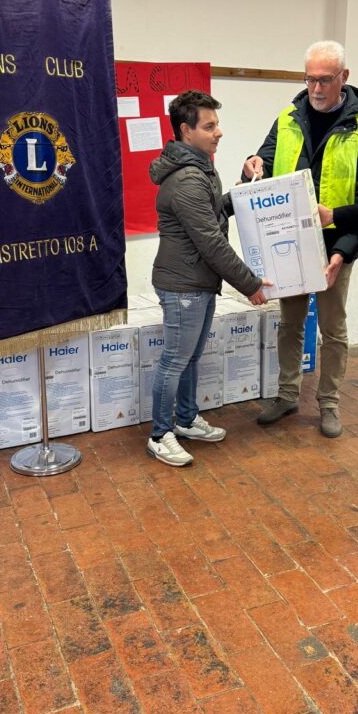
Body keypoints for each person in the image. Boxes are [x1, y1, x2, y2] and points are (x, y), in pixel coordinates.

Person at [244, 41, 358, 438]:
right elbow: (264, 163)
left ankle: (329, 403)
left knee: (333, 330)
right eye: (310, 79)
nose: (316, 88)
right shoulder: (288, 117)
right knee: (289, 325)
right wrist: (251, 164)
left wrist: (341, 249)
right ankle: (288, 394)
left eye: (325, 80)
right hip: (288, 243)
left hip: (334, 246)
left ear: (344, 77)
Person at [148, 91, 271, 467]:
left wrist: (244, 182)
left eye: (217, 124)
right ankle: (159, 435)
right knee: (175, 360)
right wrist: (250, 284)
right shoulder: (187, 179)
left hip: (196, 282)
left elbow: (215, 212)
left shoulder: (199, 168)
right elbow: (212, 243)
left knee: (189, 358)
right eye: (209, 126)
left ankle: (185, 420)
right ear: (186, 130)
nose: (219, 132)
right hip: (183, 285)